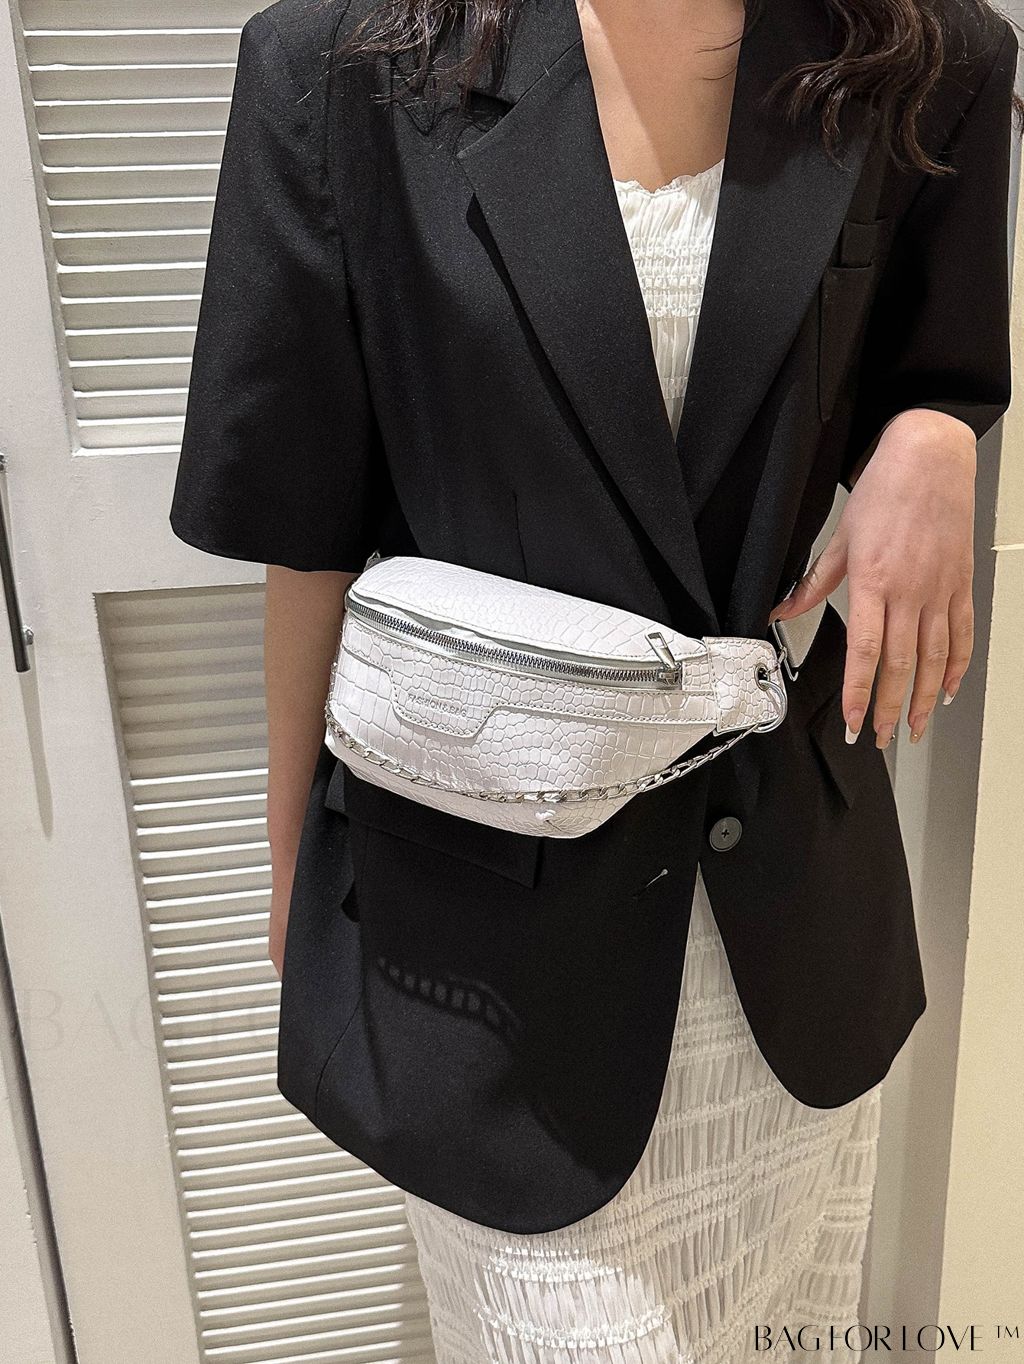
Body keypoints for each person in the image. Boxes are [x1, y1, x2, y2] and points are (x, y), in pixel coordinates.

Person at [169, 0, 1019, 1355]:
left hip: (790, 944)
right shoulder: (343, 69)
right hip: (493, 964)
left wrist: (934, 432)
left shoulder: (920, 51)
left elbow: (941, 359)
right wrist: (293, 866)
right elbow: (304, 528)